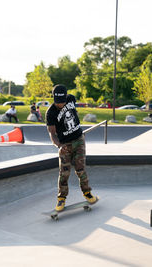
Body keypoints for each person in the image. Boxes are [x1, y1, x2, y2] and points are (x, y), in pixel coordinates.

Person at [46, 84, 97, 212]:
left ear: (66, 96)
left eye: (62, 102)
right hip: (65, 145)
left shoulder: (71, 99)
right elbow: (52, 133)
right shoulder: (50, 113)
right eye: (58, 103)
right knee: (64, 173)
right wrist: (59, 146)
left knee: (81, 169)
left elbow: (75, 112)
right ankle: (61, 198)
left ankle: (87, 192)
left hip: (79, 139)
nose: (61, 105)